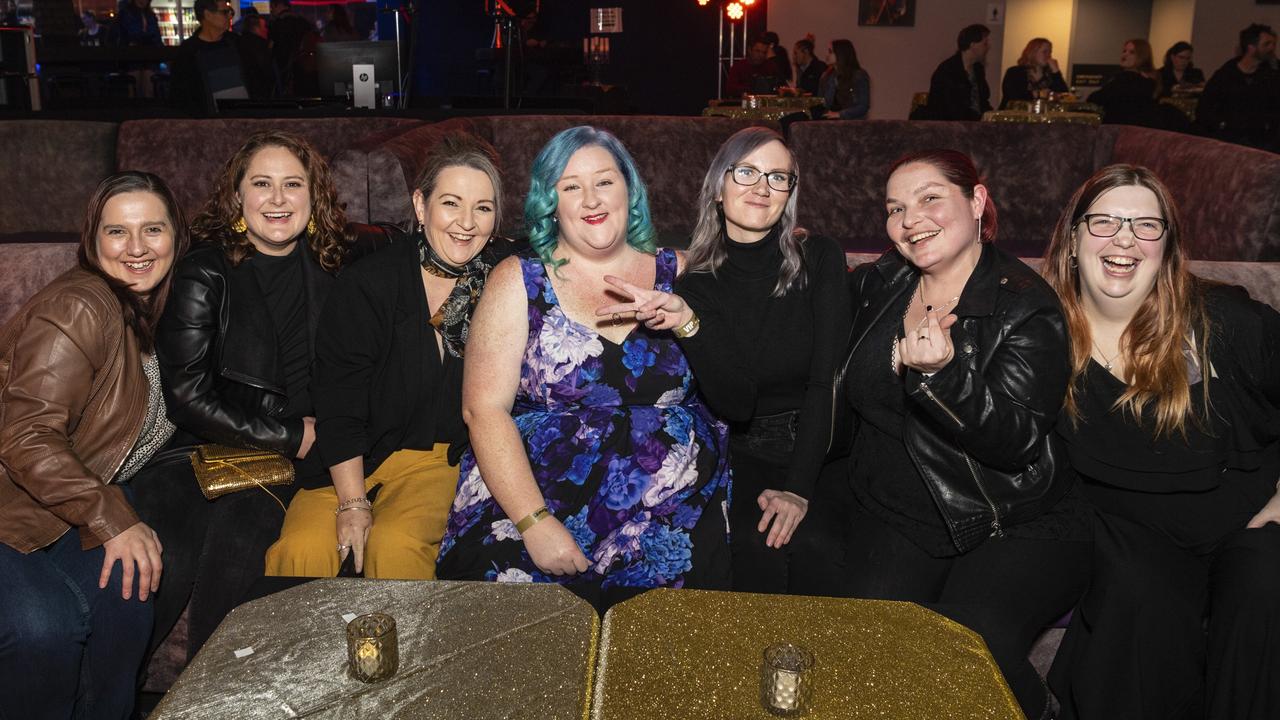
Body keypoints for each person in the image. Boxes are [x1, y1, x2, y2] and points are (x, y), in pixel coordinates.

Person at [796, 150, 1091, 719]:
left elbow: (1015, 442)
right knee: (867, 641)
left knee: (966, 643)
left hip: (1012, 513)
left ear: (977, 202)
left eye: (931, 198)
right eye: (895, 208)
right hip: (900, 502)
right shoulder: (883, 282)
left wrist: (943, 378)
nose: (911, 219)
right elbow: (810, 316)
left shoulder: (1026, 307)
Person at [436, 126, 732, 611]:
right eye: (570, 186)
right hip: (537, 501)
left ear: (629, 190)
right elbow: (483, 411)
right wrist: (535, 524)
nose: (590, 198)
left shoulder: (683, 272)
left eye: (604, 181)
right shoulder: (518, 279)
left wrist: (690, 319)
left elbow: (738, 376)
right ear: (550, 203)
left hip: (671, 513)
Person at [1043, 165, 1280, 719]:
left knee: (1266, 585)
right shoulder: (1038, 334)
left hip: (1247, 519)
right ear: (1073, 240)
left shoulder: (1224, 321)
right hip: (1133, 536)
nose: (1124, 238)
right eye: (1103, 221)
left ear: (1166, 248)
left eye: (1146, 226)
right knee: (1139, 594)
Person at [595, 127, 850, 593]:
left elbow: (827, 381)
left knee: (824, 557)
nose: (761, 187)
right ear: (718, 186)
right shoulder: (697, 285)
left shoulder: (819, 258)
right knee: (756, 559)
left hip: (824, 446)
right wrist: (690, 322)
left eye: (778, 177)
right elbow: (737, 403)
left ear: (790, 194)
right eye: (747, 171)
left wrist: (799, 487)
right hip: (745, 452)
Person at [133, 131, 348, 660]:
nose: (278, 199)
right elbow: (186, 396)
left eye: (292, 184)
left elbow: (420, 235)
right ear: (237, 196)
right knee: (158, 567)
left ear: (313, 197)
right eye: (262, 184)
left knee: (238, 551)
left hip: (283, 467)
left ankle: (214, 698)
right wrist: (293, 434)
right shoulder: (204, 270)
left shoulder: (335, 265)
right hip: (198, 450)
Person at [266, 133, 517, 579]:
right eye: (451, 203)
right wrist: (352, 502)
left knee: (396, 547)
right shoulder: (370, 283)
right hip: (351, 455)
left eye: (482, 208)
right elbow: (338, 404)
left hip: (439, 458)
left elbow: (581, 259)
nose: (466, 222)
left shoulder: (507, 281)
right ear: (421, 207)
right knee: (300, 550)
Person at [0, 171, 188, 720]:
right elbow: (26, 434)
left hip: (57, 505)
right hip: (13, 508)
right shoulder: (82, 306)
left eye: (152, 228)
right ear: (92, 241)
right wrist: (112, 515)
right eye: (116, 232)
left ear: (175, 236)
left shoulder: (147, 307)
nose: (136, 248)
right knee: (45, 628)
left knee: (127, 597)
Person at [1198, 24, 1279, 150]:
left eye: (1273, 44)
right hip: (1230, 141)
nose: (1272, 48)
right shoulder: (1226, 74)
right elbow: (1205, 106)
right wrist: (1222, 125)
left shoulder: (1273, 73)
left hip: (1264, 143)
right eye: (1267, 44)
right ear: (1251, 48)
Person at [169, 0, 245, 114]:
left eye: (231, 12)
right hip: (208, 121)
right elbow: (181, 94)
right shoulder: (188, 52)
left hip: (242, 116)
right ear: (208, 15)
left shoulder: (237, 43)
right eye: (225, 12)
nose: (230, 16)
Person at [920, 24, 992, 121]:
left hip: (973, 125)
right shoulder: (948, 70)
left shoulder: (978, 69)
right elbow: (950, 107)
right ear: (973, 45)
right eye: (985, 43)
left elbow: (983, 101)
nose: (988, 47)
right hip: (949, 127)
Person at [1088, 39, 1159, 125]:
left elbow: (1095, 98)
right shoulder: (1149, 79)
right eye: (1124, 51)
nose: (1125, 54)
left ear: (1142, 57)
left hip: (1121, 129)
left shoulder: (1127, 79)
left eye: (1132, 52)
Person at [268, 0, 320, 96]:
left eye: (272, 7)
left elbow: (270, 49)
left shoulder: (276, 24)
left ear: (278, 5)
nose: (271, 11)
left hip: (284, 71)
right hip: (305, 70)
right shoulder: (303, 22)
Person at [999, 37, 1068, 108]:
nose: (1048, 55)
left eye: (1050, 52)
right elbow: (1014, 96)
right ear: (1032, 52)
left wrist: (1056, 72)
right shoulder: (1015, 72)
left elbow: (1064, 96)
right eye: (1044, 52)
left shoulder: (1049, 75)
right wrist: (1038, 94)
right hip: (1015, 115)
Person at [820, 39, 870, 119]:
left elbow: (863, 106)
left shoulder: (858, 76)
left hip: (852, 123)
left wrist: (839, 114)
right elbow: (822, 103)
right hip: (829, 123)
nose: (827, 55)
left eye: (830, 52)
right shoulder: (826, 76)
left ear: (841, 54)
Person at [239, 13, 277, 100]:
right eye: (264, 27)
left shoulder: (240, 42)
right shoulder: (260, 46)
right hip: (259, 94)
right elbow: (266, 73)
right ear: (256, 29)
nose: (267, 30)